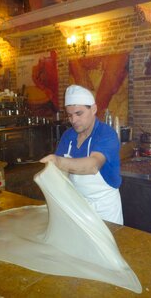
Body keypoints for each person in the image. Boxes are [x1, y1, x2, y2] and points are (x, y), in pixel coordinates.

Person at [40, 85, 123, 225]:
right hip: (78, 207)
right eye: (70, 115)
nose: (74, 120)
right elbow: (62, 175)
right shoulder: (68, 136)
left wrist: (58, 161)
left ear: (94, 109)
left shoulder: (106, 134)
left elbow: (92, 165)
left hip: (105, 209)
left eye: (79, 113)